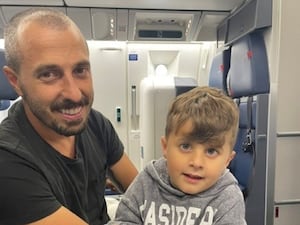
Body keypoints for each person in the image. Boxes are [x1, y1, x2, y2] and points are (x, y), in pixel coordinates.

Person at [0, 7, 138, 225]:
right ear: (15, 81)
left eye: (80, 70)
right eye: (49, 74)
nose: (74, 94)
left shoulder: (95, 123)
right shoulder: (7, 161)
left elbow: (143, 192)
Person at [108, 86, 247, 225]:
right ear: (165, 147)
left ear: (227, 160)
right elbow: (124, 220)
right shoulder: (147, 182)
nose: (196, 162)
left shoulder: (228, 199)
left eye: (211, 151)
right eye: (185, 147)